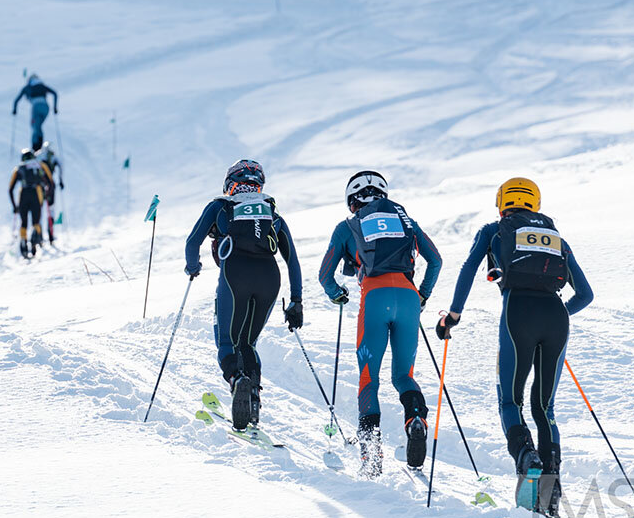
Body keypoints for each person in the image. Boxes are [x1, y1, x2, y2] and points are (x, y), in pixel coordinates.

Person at [438, 177, 593, 516]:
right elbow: (586, 294)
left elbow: (467, 269)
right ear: (533, 203)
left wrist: (453, 316)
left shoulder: (494, 229)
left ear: (502, 202)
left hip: (516, 311)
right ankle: (551, 491)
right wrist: (557, 317)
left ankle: (526, 458)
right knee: (545, 408)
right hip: (556, 316)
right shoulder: (557, 239)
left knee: (511, 401)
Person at [317, 171, 442, 476]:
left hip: (374, 297)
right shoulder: (406, 221)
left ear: (352, 200)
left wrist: (338, 294)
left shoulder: (348, 226)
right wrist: (421, 296)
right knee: (403, 376)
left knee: (368, 377)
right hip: (408, 299)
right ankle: (416, 420)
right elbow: (435, 260)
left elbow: (325, 276)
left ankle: (371, 456)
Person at [184, 160, 304, 431]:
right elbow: (293, 262)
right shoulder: (273, 214)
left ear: (230, 184)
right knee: (248, 342)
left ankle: (237, 380)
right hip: (270, 278)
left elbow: (192, 242)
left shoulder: (221, 206)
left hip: (235, 273)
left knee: (227, 342)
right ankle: (253, 399)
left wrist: (193, 267)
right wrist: (296, 301)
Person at [9, 148, 54, 259]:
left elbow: (10, 189)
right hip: (36, 193)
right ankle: (35, 239)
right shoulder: (40, 165)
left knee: (23, 222)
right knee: (36, 221)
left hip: (23, 195)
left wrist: (14, 206)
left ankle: (23, 242)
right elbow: (51, 183)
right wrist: (48, 195)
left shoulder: (19, 168)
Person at [11, 74, 58, 150]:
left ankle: (35, 148)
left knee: (34, 127)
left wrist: (14, 110)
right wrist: (55, 108)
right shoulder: (42, 85)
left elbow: (16, 100)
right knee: (38, 126)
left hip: (36, 107)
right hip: (46, 108)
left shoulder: (28, 87)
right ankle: (40, 147)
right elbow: (55, 94)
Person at [37, 142, 65, 244]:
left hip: (39, 186)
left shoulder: (38, 156)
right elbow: (61, 166)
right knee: (51, 208)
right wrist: (61, 181)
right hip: (51, 185)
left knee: (39, 209)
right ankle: (50, 233)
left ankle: (38, 233)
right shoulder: (53, 156)